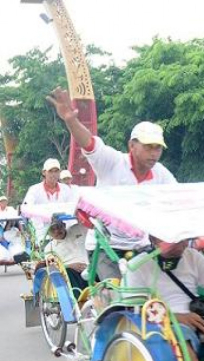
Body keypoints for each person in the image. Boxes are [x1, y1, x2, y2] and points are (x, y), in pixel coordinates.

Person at [46, 87, 177, 280]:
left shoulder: (161, 174)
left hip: (140, 247)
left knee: (159, 294)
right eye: (148, 147)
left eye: (158, 148)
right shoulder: (113, 162)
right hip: (104, 247)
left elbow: (181, 198)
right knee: (119, 297)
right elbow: (89, 143)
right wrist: (71, 120)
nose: (154, 153)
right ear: (132, 145)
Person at [43, 219, 88, 298]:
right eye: (53, 229)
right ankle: (79, 300)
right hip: (72, 271)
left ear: (64, 225)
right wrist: (70, 266)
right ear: (48, 232)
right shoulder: (49, 248)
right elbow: (52, 266)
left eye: (59, 227)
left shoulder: (77, 229)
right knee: (68, 272)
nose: (57, 231)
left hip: (90, 265)